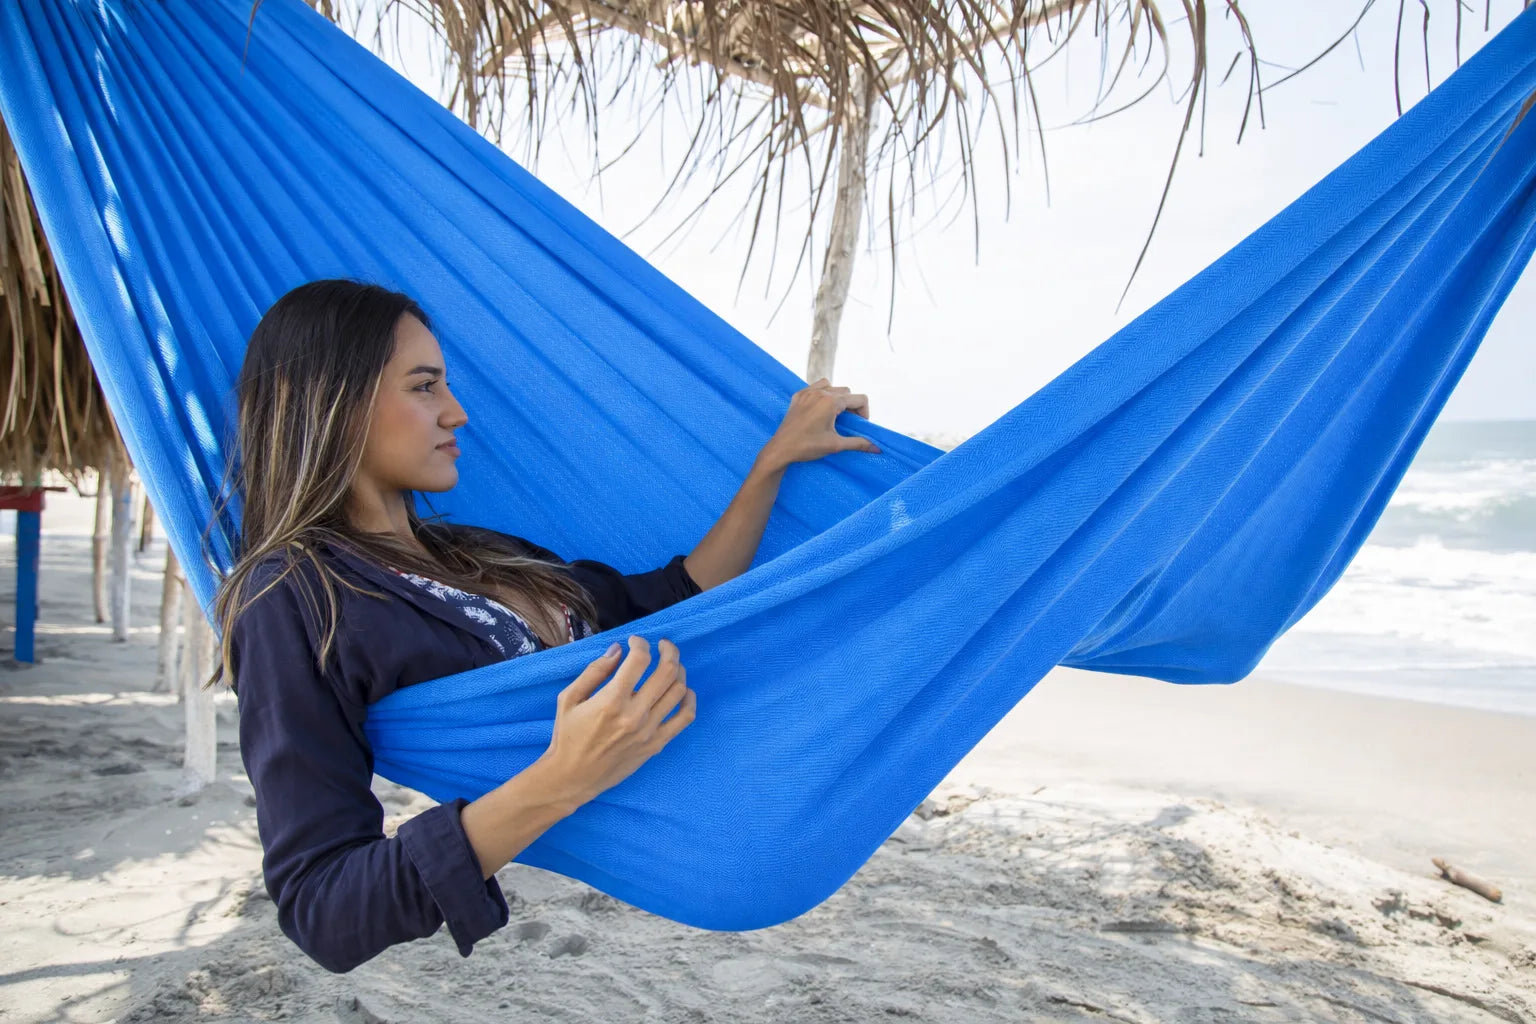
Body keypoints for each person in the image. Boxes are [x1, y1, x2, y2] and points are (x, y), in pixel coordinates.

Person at [211, 278, 882, 973]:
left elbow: (679, 595)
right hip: (675, 838)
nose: (458, 412)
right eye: (424, 386)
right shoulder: (295, 599)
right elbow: (324, 909)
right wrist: (566, 775)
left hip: (754, 785)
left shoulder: (477, 551)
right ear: (331, 400)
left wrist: (773, 462)